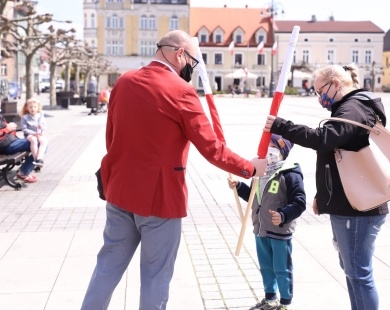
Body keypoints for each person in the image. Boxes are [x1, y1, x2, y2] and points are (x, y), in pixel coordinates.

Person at [80, 30, 267, 310]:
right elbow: (211, 149)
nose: (191, 68)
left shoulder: (123, 82)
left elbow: (112, 137)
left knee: (106, 267)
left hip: (119, 191)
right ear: (180, 54)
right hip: (160, 199)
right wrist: (250, 168)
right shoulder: (181, 91)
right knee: (156, 278)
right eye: (192, 60)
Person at [264, 63, 388, 310]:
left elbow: (324, 139)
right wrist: (324, 195)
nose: (319, 97)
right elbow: (334, 157)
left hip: (358, 207)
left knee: (358, 273)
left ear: (336, 84)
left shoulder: (353, 107)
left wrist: (282, 125)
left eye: (321, 91)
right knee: (353, 270)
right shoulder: (348, 108)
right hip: (349, 202)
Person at [229, 134, 306, 310]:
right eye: (267, 145)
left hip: (280, 231)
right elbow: (253, 198)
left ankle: (285, 303)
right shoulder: (260, 172)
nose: (268, 150)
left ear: (282, 151)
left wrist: (284, 215)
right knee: (266, 267)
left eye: (273, 146)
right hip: (261, 229)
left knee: (282, 269)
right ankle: (270, 299)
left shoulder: (290, 173)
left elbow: (299, 202)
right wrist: (239, 187)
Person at [0, 97, 36, 183]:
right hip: (5, 145)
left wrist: (11, 127)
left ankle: (25, 170)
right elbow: (4, 130)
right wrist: (8, 129)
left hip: (10, 141)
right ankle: (23, 171)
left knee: (41, 142)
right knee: (38, 144)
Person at [21, 98, 48, 170]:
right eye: (30, 107)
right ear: (27, 108)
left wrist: (42, 127)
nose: (33, 109)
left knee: (44, 141)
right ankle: (36, 159)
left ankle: (39, 158)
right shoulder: (24, 117)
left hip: (39, 134)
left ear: (37, 107)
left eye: (34, 107)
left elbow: (45, 126)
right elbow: (24, 129)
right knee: (34, 140)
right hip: (30, 135)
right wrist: (33, 133)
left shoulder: (40, 116)